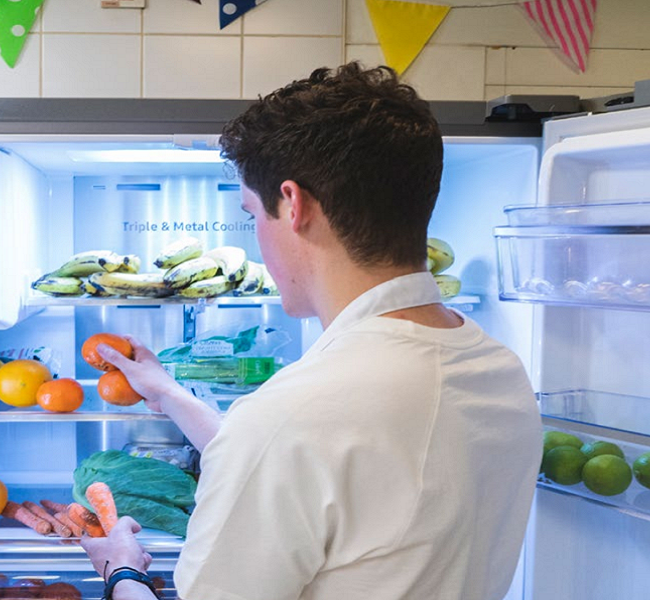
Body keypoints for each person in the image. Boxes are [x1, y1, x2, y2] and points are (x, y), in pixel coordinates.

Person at [82, 62, 542, 600]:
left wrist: (122, 572)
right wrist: (168, 393)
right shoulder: (499, 370)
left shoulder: (292, 418)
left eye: (253, 213)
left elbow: (294, 445)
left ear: (293, 205)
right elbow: (326, 470)